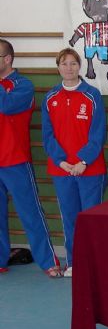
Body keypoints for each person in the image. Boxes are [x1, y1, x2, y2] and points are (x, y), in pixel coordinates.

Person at [42, 48, 108, 278]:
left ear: (79, 66)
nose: (68, 68)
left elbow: (98, 133)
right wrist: (61, 162)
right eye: (64, 63)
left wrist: (83, 161)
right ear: (58, 67)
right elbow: (47, 135)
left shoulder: (92, 95)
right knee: (69, 218)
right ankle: (73, 263)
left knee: (90, 219)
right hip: (62, 171)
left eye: (73, 63)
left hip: (90, 170)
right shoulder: (50, 97)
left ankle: (94, 264)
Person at [0, 38, 62, 278]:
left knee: (31, 214)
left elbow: (5, 106)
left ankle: (48, 261)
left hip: (16, 161)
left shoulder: (23, 86)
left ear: (7, 59)